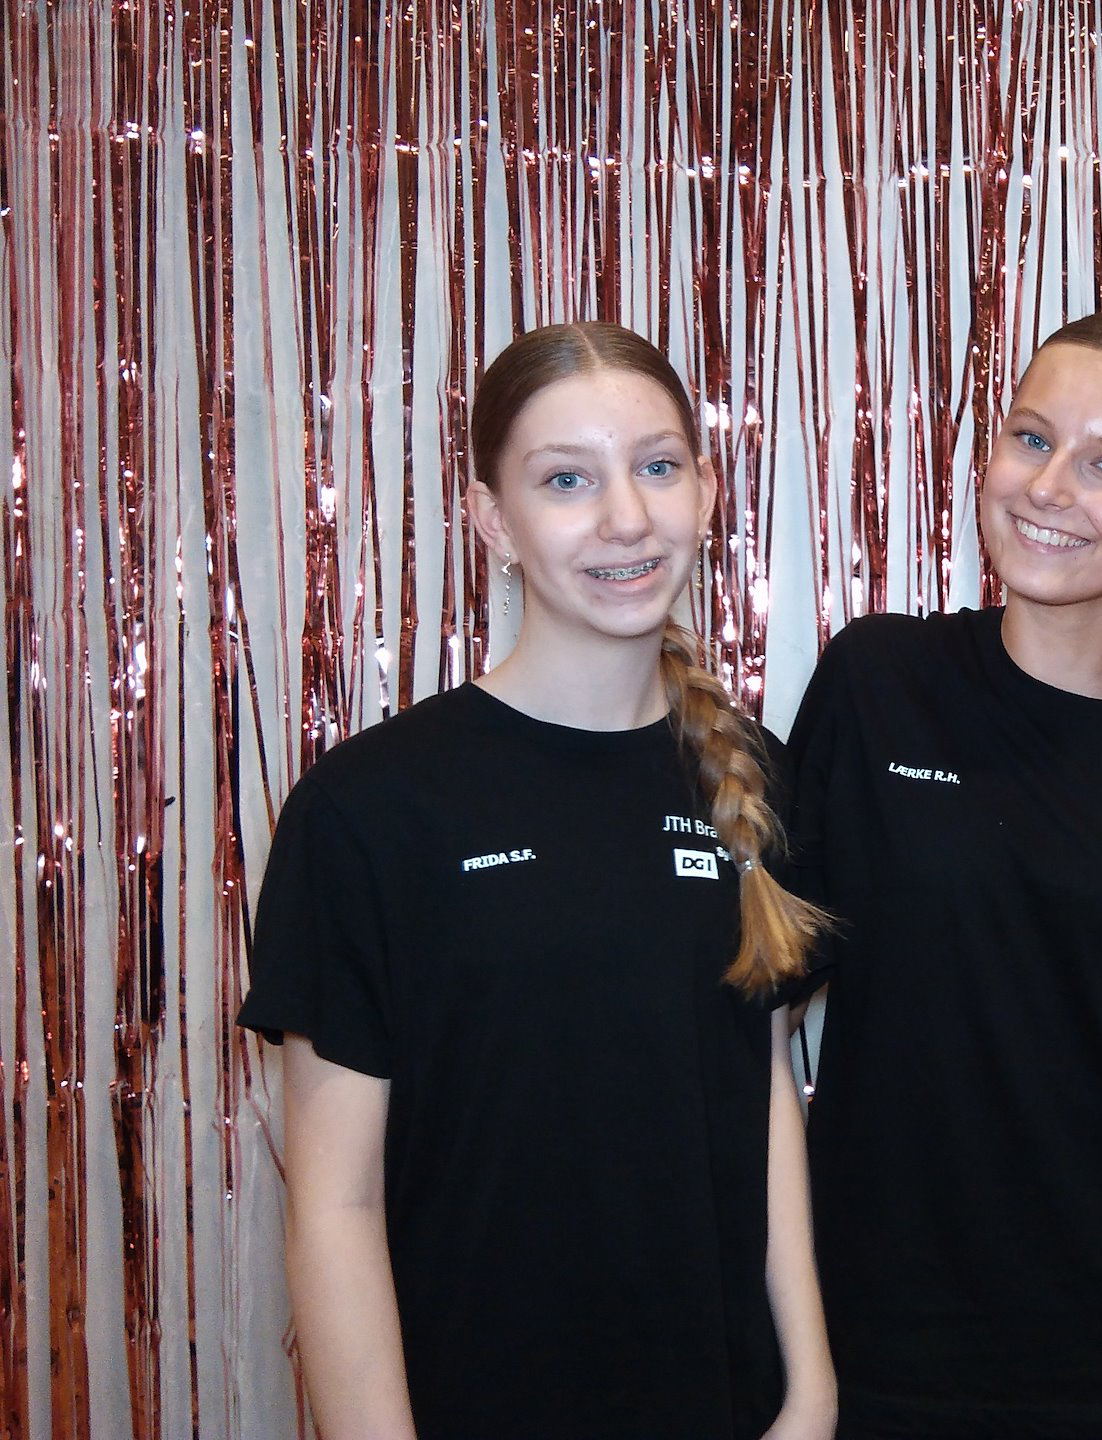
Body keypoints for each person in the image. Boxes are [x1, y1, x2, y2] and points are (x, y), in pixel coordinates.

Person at [238, 322, 836, 1440]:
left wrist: (809, 1390)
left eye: (657, 466)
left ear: (706, 491)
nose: (626, 517)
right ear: (490, 520)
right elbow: (334, 1204)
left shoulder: (751, 778)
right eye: (567, 479)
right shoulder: (373, 807)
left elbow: (761, 1089)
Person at [786, 312, 1102, 1439]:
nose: (1049, 488)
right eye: (1031, 438)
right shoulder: (878, 682)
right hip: (885, 1352)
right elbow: (763, 1015)